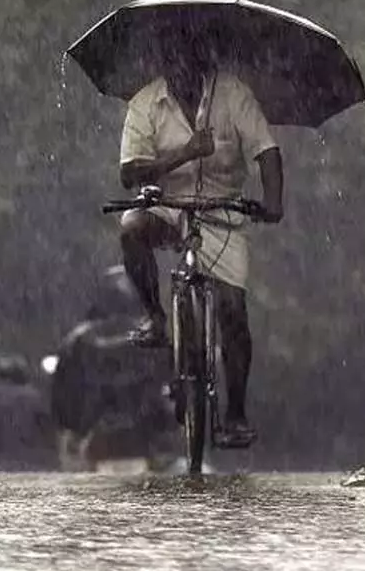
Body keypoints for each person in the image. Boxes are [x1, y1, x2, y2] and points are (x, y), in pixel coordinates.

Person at [117, 29, 284, 448]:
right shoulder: (145, 103)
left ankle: (236, 413)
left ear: (205, 64)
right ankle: (155, 317)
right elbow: (129, 174)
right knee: (132, 228)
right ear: (165, 68)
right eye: (175, 65)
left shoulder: (233, 95)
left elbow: (267, 151)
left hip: (221, 211)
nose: (184, 73)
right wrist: (185, 153)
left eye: (193, 65)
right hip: (167, 205)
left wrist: (273, 202)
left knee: (233, 312)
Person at [51, 267, 173, 468]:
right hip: (145, 437)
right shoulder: (156, 337)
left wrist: (71, 429)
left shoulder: (77, 339)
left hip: (94, 435)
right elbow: (172, 386)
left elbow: (63, 396)